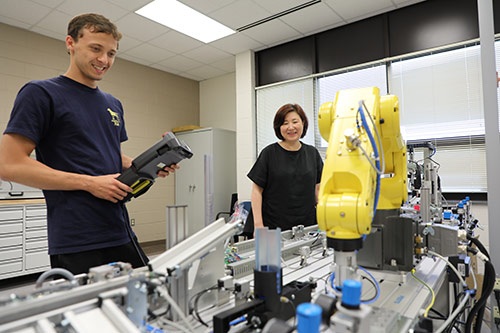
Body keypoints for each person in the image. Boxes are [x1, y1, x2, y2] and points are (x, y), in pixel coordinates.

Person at [0, 13, 178, 275]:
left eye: (111, 53)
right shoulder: (41, 93)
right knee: (89, 314)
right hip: (77, 239)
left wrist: (151, 163)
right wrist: (90, 183)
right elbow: (9, 165)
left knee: (145, 304)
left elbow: (113, 158)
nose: (104, 60)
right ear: (70, 43)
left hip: (119, 229)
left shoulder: (113, 104)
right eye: (96, 48)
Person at [247, 104, 323, 233]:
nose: (290, 127)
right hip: (271, 226)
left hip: (307, 226)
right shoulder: (269, 153)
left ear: (303, 123)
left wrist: (324, 218)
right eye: (285, 123)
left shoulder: (312, 153)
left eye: (295, 122)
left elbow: (318, 189)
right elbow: (256, 190)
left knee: (309, 253)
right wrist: (258, 225)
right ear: (279, 127)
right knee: (269, 254)